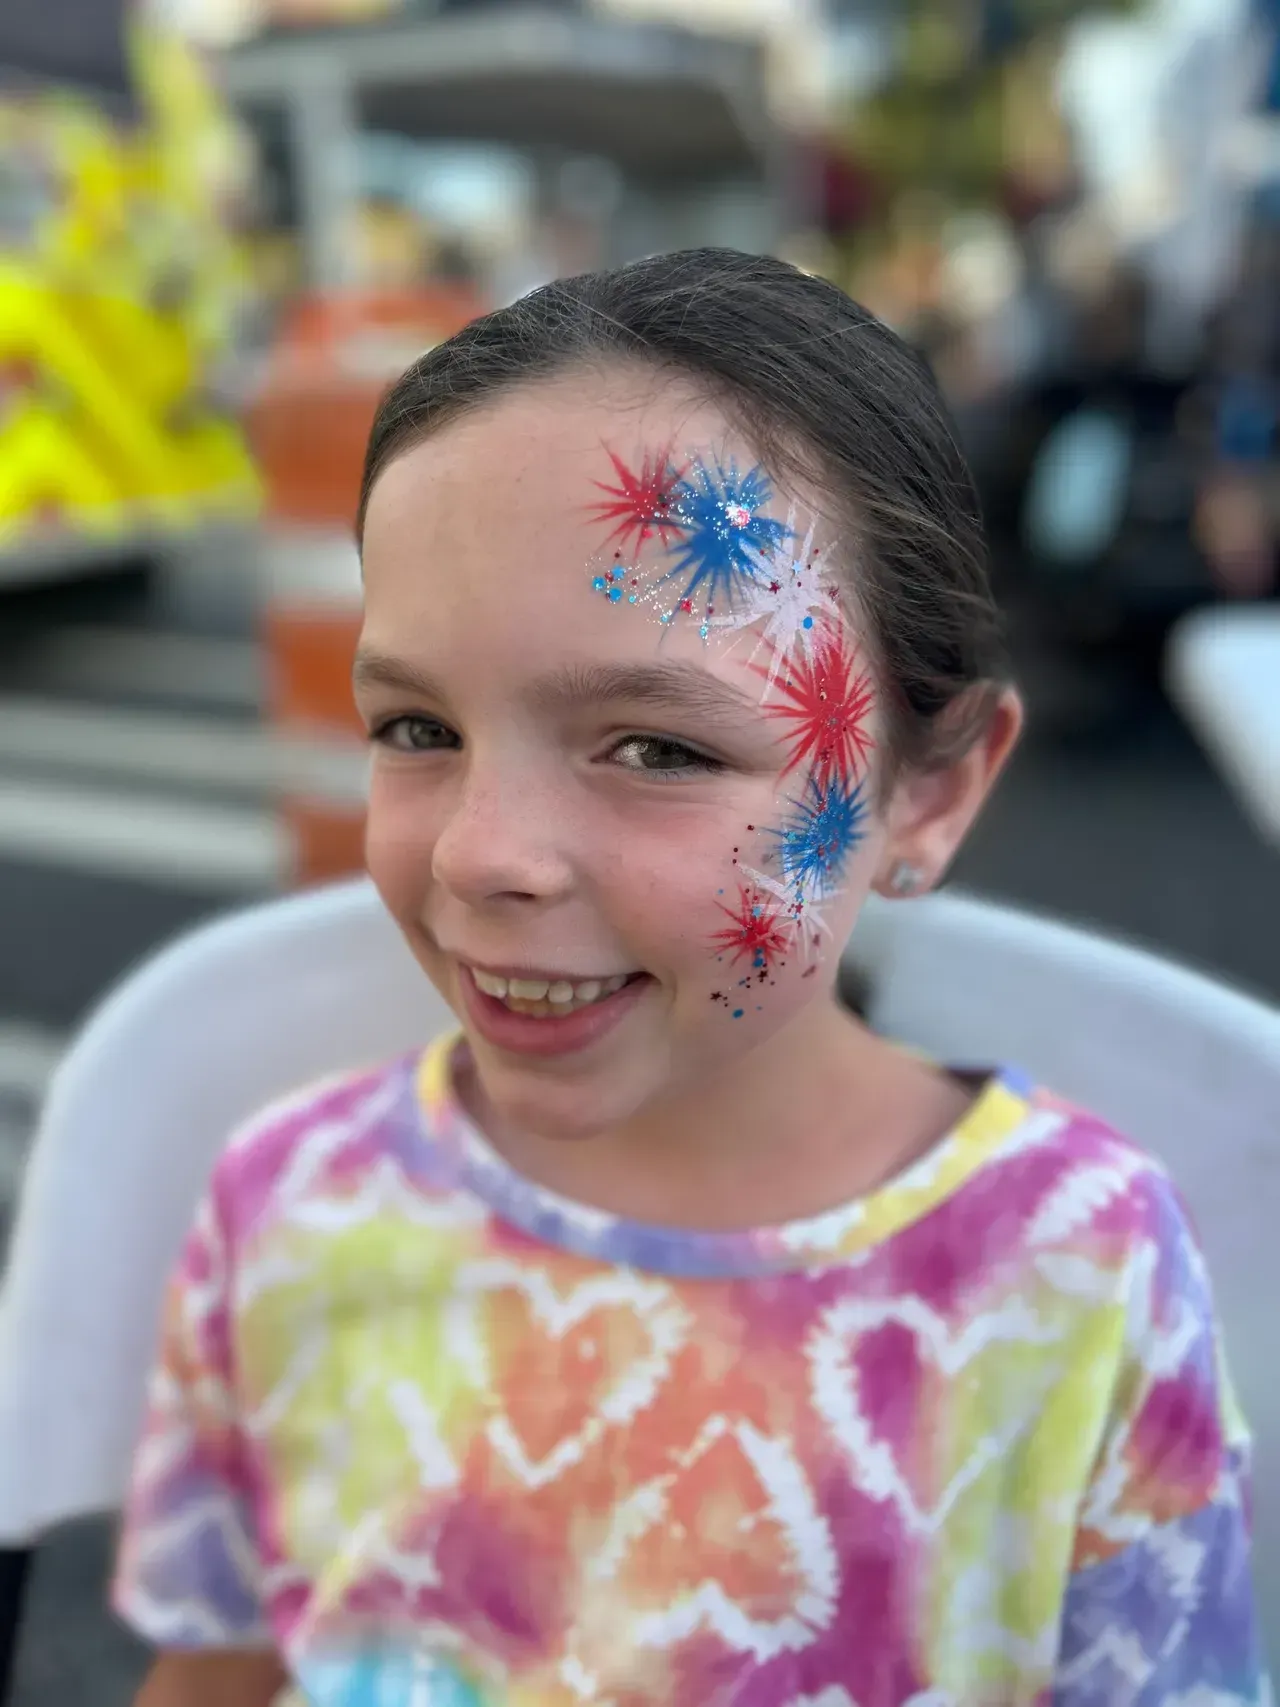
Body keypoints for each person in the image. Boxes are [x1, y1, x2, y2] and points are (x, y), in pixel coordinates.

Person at [114, 249, 1270, 1707]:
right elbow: (215, 1666)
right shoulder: (293, 1204)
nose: (480, 853)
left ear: (930, 790)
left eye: (658, 748)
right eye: (415, 726)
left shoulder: (1074, 1276)